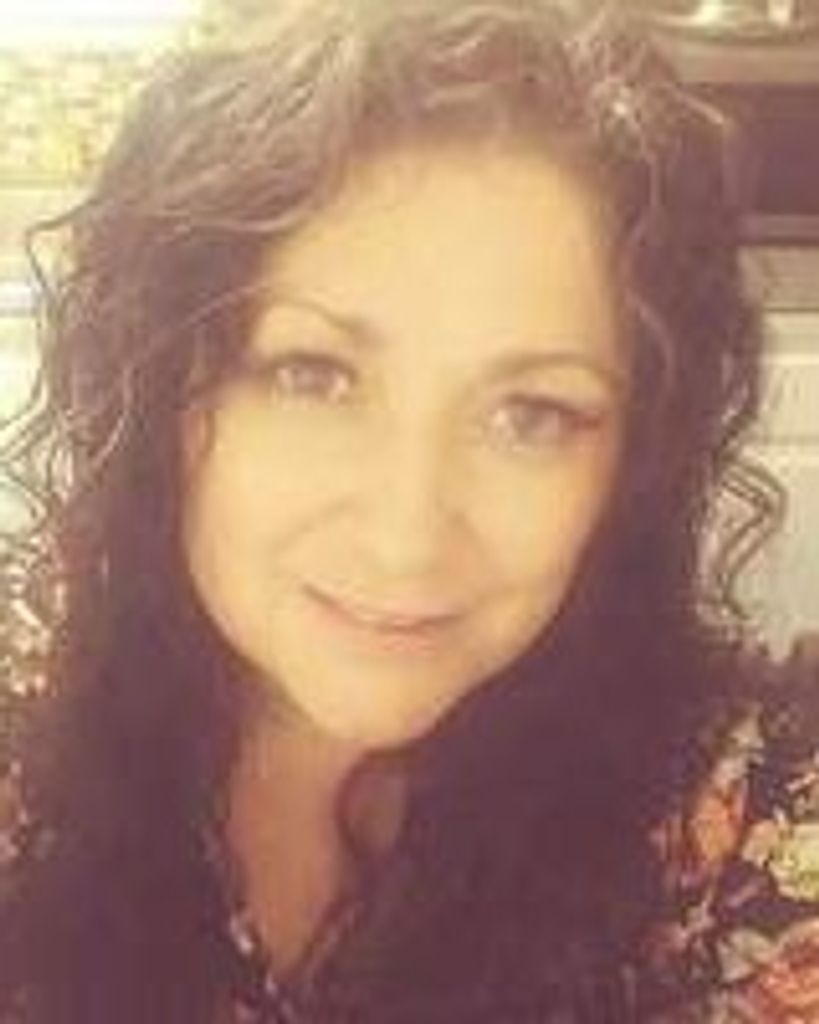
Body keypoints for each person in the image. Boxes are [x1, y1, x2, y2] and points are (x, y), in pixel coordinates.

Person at [0, 0, 816, 1020]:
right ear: (164, 384)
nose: (405, 539)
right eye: (313, 374)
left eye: (532, 415)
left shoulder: (744, 827)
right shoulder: (25, 722)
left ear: (634, 459)